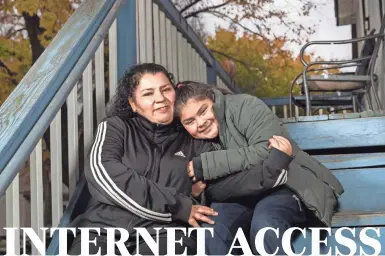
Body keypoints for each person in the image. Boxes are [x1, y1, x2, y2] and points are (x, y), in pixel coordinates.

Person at [175, 81, 344, 255]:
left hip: (285, 187)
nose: (200, 123)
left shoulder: (244, 105)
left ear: (213, 100)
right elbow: (211, 188)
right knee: (212, 231)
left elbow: (268, 151)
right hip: (236, 196)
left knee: (265, 227)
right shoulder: (190, 140)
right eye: (190, 121)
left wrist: (208, 165)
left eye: (203, 111)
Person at [67, 64, 218, 255]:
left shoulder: (194, 138)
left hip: (167, 233)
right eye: (148, 93)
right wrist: (179, 205)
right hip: (103, 230)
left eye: (166, 90)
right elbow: (104, 173)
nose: (160, 99)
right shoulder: (116, 127)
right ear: (133, 103)